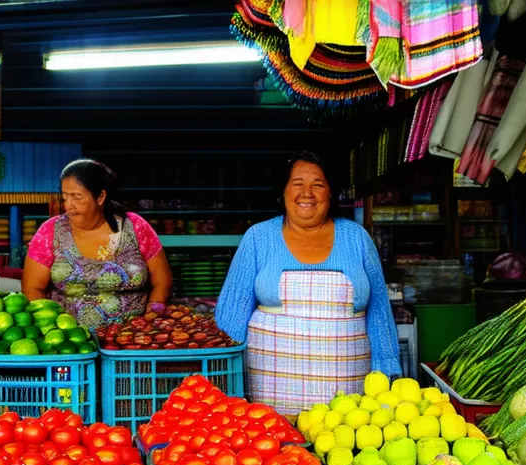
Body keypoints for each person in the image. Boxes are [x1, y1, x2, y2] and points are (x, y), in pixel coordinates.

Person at [216, 151, 401, 414]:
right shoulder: (258, 238)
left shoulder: (356, 238)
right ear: (283, 192)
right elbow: (231, 317)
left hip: (348, 407)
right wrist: (224, 384)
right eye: (297, 184)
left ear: (331, 193)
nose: (307, 193)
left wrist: (388, 373)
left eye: (318, 184)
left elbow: (379, 311)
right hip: (270, 404)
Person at [22, 159, 173, 331]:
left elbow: (163, 281)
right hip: (71, 343)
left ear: (100, 197)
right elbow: (32, 289)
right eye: (65, 197)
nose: (68, 205)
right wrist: (53, 331)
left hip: (131, 341)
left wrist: (151, 318)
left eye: (77, 197)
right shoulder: (50, 231)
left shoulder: (135, 226)